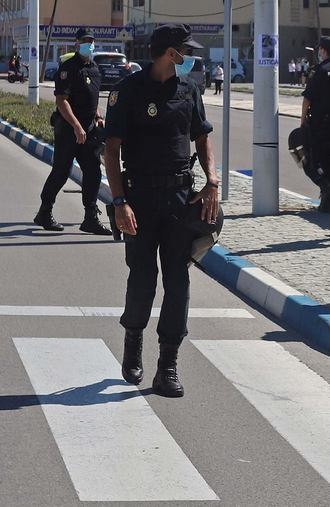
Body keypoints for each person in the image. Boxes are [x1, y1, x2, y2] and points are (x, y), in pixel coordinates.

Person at [103, 24, 220, 398]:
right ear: (171, 53)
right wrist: (119, 203)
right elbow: (111, 151)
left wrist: (212, 182)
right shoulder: (128, 91)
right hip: (138, 199)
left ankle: (167, 365)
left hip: (180, 200)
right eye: (186, 50)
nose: (192, 57)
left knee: (179, 281)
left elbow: (202, 140)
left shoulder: (190, 90)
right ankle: (133, 343)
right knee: (142, 278)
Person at [35, 28, 111, 235]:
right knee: (61, 172)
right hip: (69, 130)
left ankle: (90, 217)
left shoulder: (94, 68)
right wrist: (77, 127)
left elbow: (93, 101)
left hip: (89, 131)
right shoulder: (68, 69)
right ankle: (44, 211)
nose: (89, 44)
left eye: (92, 41)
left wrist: (98, 118)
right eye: (85, 41)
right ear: (76, 44)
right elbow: (62, 102)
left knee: (93, 172)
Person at [298, 36, 330, 211]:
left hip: (319, 123)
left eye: (319, 50)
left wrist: (302, 120)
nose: (318, 52)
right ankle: (327, 200)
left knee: (312, 161)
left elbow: (307, 99)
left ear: (323, 51)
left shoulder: (317, 71)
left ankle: (325, 186)